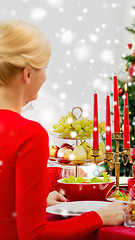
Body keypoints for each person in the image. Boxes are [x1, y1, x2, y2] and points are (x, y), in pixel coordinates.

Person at [0, 19, 125, 240]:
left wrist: (36, 201)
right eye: (45, 67)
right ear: (28, 74)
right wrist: (99, 217)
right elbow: (35, 236)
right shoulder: (28, 133)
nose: (45, 75)